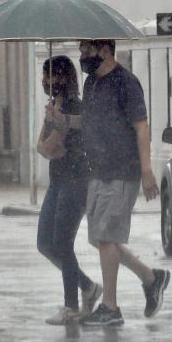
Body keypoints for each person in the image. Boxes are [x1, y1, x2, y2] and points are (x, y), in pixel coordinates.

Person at [77, 39, 170, 327]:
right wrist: (62, 120)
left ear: (104, 50)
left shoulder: (126, 82)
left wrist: (146, 170)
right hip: (96, 170)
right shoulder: (90, 84)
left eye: (87, 50)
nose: (82, 55)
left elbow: (141, 127)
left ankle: (111, 307)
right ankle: (151, 278)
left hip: (122, 171)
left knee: (106, 237)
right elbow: (87, 122)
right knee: (103, 239)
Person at [36, 55, 103, 325]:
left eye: (49, 75)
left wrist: (56, 130)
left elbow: (51, 145)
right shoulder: (54, 106)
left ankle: (71, 306)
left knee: (62, 243)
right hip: (58, 179)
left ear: (63, 78)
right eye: (43, 75)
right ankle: (88, 286)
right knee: (44, 243)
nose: (44, 81)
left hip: (76, 181)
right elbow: (41, 147)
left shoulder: (75, 107)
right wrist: (51, 136)